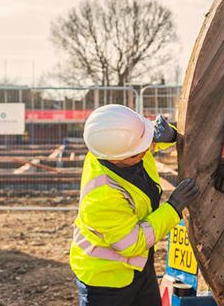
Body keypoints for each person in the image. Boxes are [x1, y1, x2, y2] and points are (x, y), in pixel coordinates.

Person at [70, 104, 200, 306]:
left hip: (138, 266)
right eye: (141, 149)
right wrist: (173, 207)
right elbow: (131, 243)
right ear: (118, 158)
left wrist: (171, 135)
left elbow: (147, 140)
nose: (148, 149)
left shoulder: (118, 146)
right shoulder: (102, 195)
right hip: (106, 279)